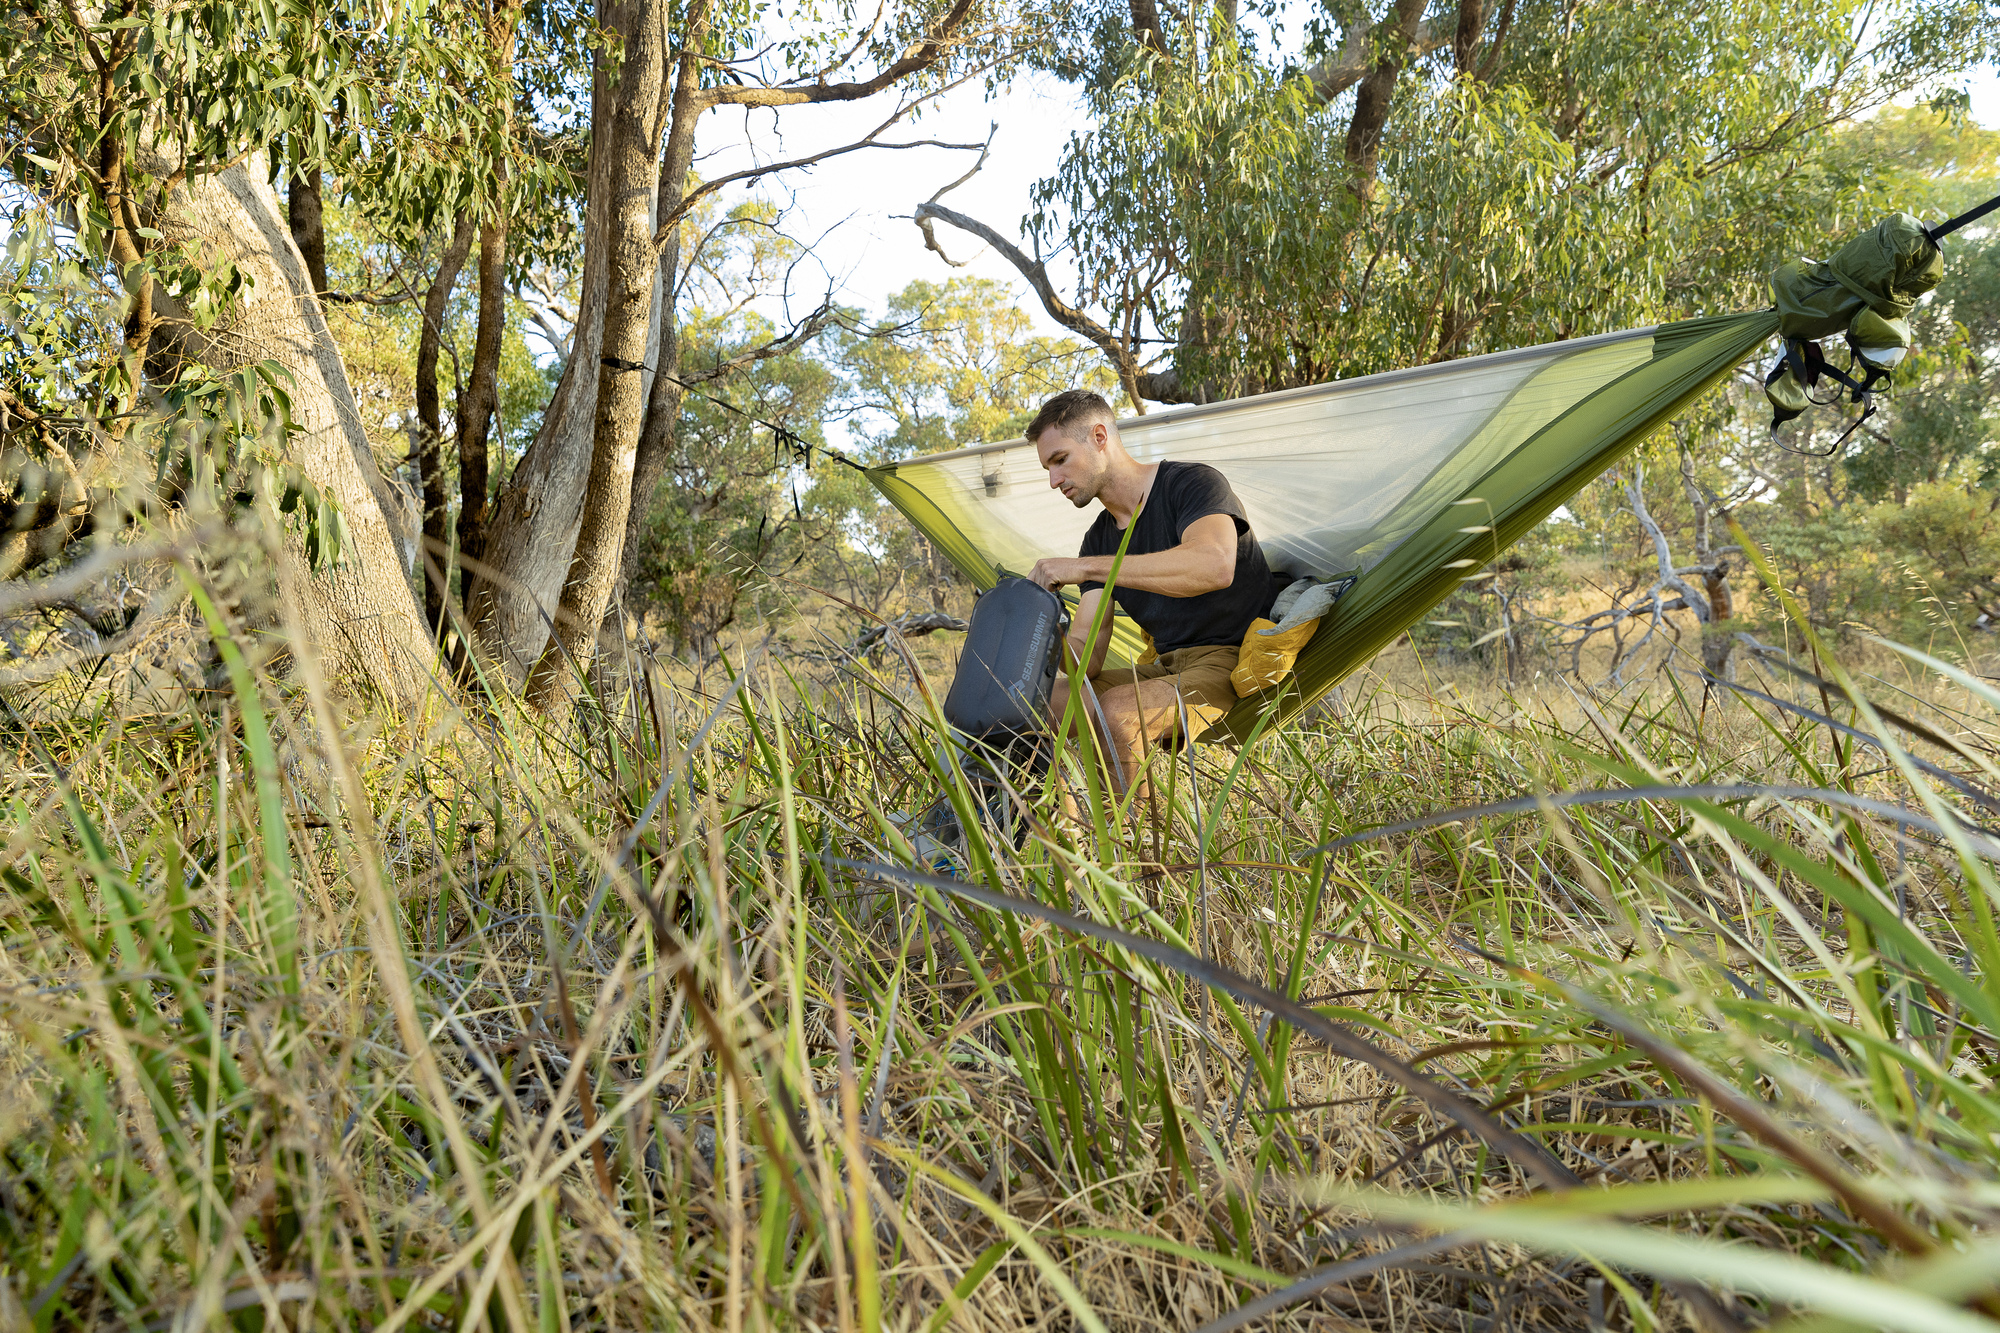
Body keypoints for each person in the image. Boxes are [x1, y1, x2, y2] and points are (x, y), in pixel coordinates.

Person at [1024, 389, 1272, 804]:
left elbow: (1214, 564)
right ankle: (1052, 834)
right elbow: (1088, 657)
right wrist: (1040, 627)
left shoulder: (1191, 484)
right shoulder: (1098, 539)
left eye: (1060, 460)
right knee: (1034, 703)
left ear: (1100, 436)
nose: (1053, 481)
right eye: (1047, 468)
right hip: (1165, 667)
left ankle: (1143, 861)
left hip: (1230, 659)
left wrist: (1086, 567)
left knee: (1120, 711)